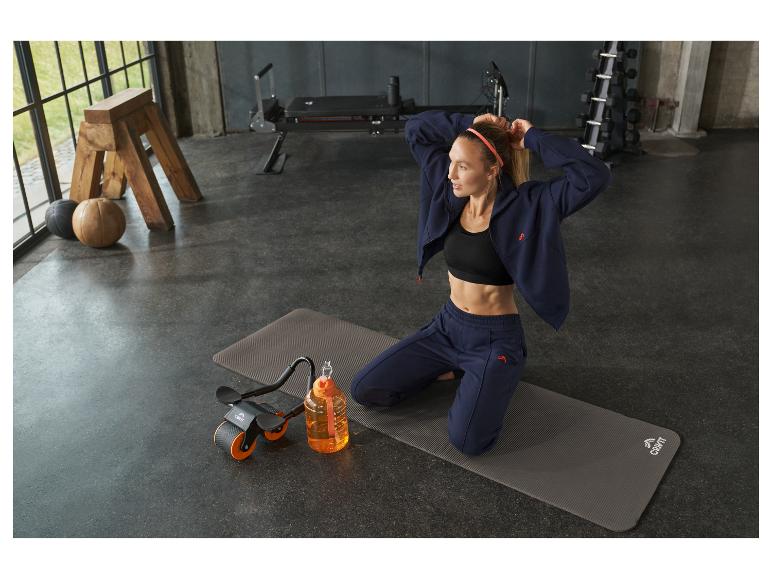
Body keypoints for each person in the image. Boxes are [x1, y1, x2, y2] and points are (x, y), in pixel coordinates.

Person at [350, 109, 611, 456]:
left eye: (463, 166)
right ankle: (455, 368)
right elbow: (416, 129)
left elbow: (593, 175)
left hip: (494, 340)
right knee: (365, 390)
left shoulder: (531, 205)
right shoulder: (450, 195)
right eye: (451, 161)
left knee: (469, 442)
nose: (451, 173)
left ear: (491, 170)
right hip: (446, 327)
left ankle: (498, 374)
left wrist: (531, 137)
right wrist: (470, 124)